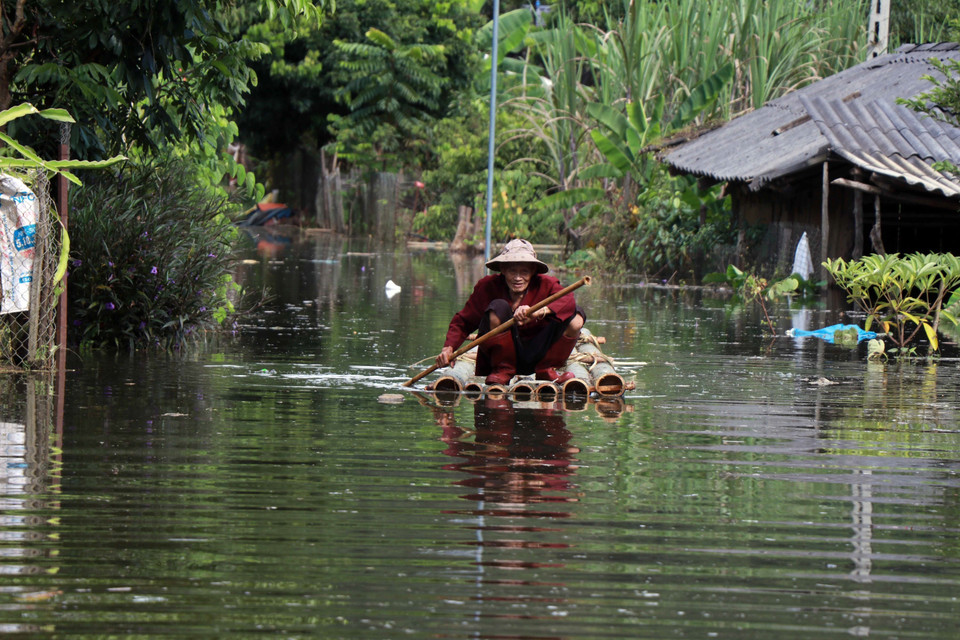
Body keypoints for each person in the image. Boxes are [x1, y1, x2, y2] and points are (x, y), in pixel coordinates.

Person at [436, 239, 585, 386]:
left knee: (576, 317)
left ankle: (546, 370)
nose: (518, 278)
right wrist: (449, 347)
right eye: (512, 271)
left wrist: (538, 312)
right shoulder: (487, 287)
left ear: (533, 271)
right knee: (497, 307)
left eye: (524, 272)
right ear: (503, 269)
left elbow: (568, 300)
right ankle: (503, 370)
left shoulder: (546, 284)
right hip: (502, 358)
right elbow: (463, 321)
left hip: (537, 353)